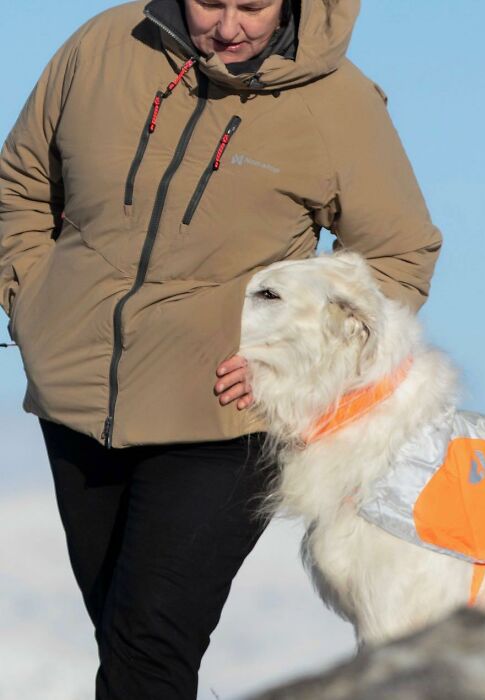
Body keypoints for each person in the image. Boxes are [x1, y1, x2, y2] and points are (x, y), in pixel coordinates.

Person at [0, 0, 442, 697]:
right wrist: (33, 300)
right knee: (127, 643)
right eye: (212, 3)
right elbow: (21, 182)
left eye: (254, 7)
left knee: (149, 647)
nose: (229, 27)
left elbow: (398, 253)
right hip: (76, 400)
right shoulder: (107, 45)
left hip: (224, 417)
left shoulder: (339, 103)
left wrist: (302, 364)